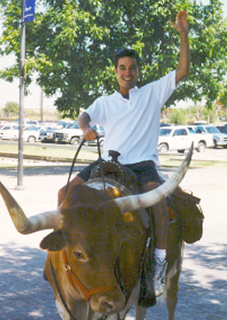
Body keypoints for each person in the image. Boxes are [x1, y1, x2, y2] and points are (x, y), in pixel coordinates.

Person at [58, 10, 190, 297]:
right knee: (64, 193)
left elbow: (182, 72)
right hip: (108, 163)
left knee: (158, 202)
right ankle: (65, 255)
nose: (127, 72)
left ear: (137, 71)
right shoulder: (105, 101)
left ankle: (158, 261)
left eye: (132, 67)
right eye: (122, 68)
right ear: (115, 71)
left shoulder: (152, 93)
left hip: (142, 164)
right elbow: (84, 117)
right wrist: (85, 129)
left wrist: (183, 34)